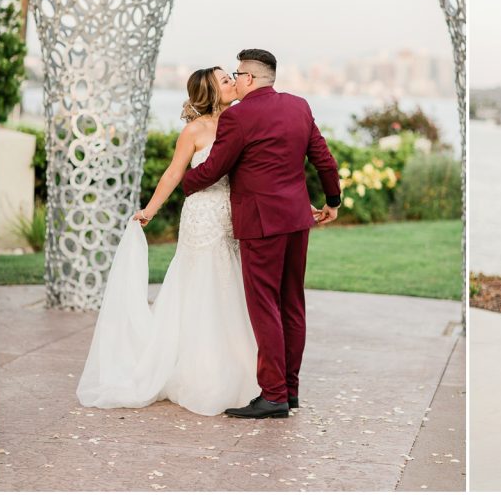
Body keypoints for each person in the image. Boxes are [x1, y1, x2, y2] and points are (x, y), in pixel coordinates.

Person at [77, 67, 260, 416]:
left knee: (229, 284)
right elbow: (175, 172)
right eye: (225, 80)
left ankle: (239, 366)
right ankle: (199, 370)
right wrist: (150, 209)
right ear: (210, 90)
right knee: (200, 285)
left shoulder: (243, 120)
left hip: (231, 216)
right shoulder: (195, 129)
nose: (232, 82)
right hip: (201, 217)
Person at [181, 48, 342, 419]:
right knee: (292, 304)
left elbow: (214, 168)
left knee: (265, 306)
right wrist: (332, 200)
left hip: (260, 226)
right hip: (298, 220)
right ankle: (291, 390)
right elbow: (324, 159)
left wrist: (185, 183)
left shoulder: (239, 117)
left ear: (250, 78)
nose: (234, 79)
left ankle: (273, 395)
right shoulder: (299, 106)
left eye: (237, 74)